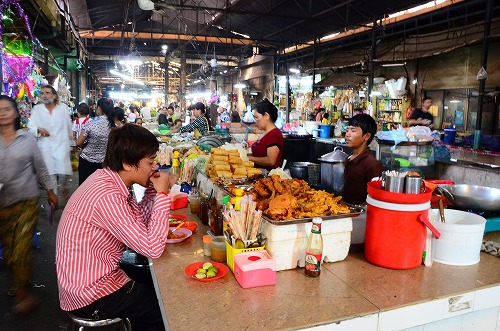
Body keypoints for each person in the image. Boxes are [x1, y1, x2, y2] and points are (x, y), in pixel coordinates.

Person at [56, 124, 177, 330]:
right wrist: (163, 195)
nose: (155, 167)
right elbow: (152, 247)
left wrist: (152, 192)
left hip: (94, 276)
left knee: (159, 283)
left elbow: (141, 224)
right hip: (89, 293)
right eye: (150, 161)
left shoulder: (111, 181)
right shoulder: (107, 195)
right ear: (127, 164)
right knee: (165, 309)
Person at [0, 95, 58, 313]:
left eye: (6, 109)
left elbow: (40, 167)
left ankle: (23, 294)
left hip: (27, 200)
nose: (2, 113)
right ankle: (20, 278)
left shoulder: (27, 140)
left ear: (15, 113)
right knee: (9, 251)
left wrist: (50, 190)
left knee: (22, 248)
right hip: (2, 204)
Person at [28, 85, 73, 201]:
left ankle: (65, 190)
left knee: (64, 175)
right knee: (50, 178)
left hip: (61, 147)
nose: (44, 96)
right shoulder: (37, 109)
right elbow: (30, 127)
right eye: (42, 93)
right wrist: (38, 130)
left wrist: (72, 143)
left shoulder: (62, 108)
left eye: (47, 93)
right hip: (45, 148)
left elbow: (68, 126)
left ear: (54, 95)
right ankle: (53, 202)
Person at [342, 114, 383, 205]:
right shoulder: (349, 158)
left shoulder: (372, 164)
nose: (347, 134)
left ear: (366, 136)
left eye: (353, 131)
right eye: (347, 130)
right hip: (346, 211)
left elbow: (375, 198)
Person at [76, 98, 114, 185]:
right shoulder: (113, 126)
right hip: (104, 163)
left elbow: (79, 142)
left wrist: (83, 146)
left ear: (99, 108)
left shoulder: (91, 123)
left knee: (84, 189)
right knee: (98, 189)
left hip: (87, 162)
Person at [247, 99, 284, 170]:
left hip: (268, 177)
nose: (255, 121)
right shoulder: (265, 133)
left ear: (266, 115)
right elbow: (258, 155)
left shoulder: (274, 135)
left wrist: (247, 158)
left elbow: (271, 161)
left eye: (256, 117)